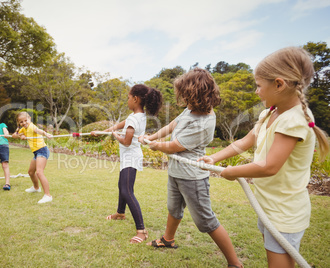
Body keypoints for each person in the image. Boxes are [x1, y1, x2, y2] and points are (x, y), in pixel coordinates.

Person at [198, 47, 329, 268]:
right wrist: (215, 159)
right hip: (269, 207)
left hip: (284, 212)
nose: (257, 92)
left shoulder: (293, 120)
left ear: (279, 84)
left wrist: (231, 172)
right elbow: (245, 141)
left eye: (259, 85)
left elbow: (269, 167)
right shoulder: (270, 112)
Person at [139, 68, 243, 268]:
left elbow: (174, 146)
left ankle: (234, 263)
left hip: (193, 177)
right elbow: (172, 125)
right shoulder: (191, 108)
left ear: (196, 93)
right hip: (177, 171)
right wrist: (152, 137)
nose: (183, 97)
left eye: (186, 93)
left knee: (205, 220)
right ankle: (168, 239)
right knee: (173, 207)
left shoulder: (204, 121)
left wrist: (155, 145)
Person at [91, 84, 163, 244]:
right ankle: (120, 213)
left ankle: (142, 230)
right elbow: (122, 123)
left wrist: (115, 135)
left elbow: (126, 142)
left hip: (130, 156)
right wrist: (104, 131)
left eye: (128, 98)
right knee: (121, 186)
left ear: (135, 99)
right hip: (130, 157)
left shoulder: (133, 119)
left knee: (127, 190)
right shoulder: (139, 115)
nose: (127, 101)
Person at [12, 111, 53, 204]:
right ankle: (36, 188)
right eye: (21, 122)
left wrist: (46, 134)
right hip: (36, 152)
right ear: (19, 123)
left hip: (42, 150)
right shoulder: (23, 129)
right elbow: (13, 135)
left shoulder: (32, 126)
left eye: (25, 120)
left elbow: (38, 131)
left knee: (39, 172)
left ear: (29, 119)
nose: (24, 123)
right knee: (31, 172)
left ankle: (48, 195)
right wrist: (20, 134)